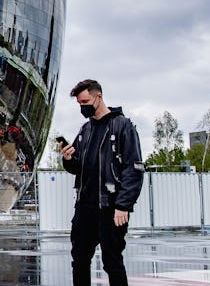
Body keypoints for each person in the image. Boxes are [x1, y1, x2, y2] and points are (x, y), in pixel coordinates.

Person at [60, 79, 145, 286]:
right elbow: (78, 167)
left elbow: (133, 169)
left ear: (99, 97)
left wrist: (123, 205)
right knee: (79, 259)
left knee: (112, 261)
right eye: (79, 103)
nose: (83, 106)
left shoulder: (122, 125)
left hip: (110, 207)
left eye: (85, 101)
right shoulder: (85, 129)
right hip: (84, 207)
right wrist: (69, 159)